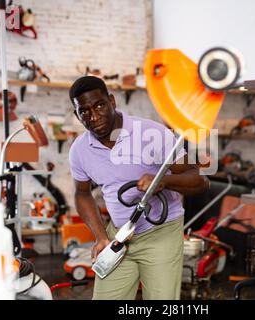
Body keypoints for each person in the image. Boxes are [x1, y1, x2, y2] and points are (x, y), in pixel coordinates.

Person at [68, 76, 209, 300]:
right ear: (77, 115)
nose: (94, 117)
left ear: (112, 101)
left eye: (99, 105)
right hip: (119, 234)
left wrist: (162, 181)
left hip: (161, 234)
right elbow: (82, 193)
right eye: (84, 111)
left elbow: (200, 180)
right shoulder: (79, 150)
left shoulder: (151, 133)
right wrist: (100, 237)